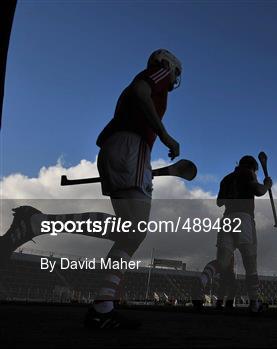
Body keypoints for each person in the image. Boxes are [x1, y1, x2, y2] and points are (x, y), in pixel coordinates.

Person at [0, 49, 183, 329]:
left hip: (128, 150)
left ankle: (103, 306)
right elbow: (138, 91)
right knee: (133, 230)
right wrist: (164, 134)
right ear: (168, 66)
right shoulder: (158, 73)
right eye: (176, 72)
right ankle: (38, 223)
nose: (175, 79)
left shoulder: (147, 93)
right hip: (131, 147)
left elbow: (119, 118)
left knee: (130, 233)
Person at [215, 155, 272, 313]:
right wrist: (266, 185)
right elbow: (258, 191)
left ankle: (202, 281)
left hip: (227, 218)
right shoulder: (248, 173)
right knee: (250, 263)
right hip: (244, 217)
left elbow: (219, 202)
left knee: (222, 262)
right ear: (253, 167)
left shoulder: (226, 179)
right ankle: (254, 303)